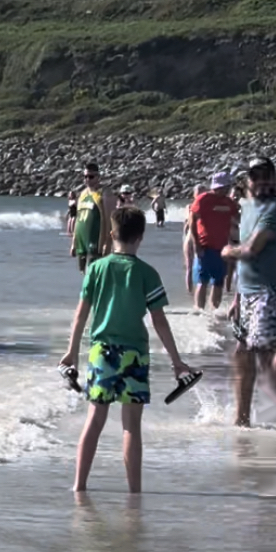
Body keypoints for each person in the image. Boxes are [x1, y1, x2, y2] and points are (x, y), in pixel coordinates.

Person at [59, 206, 192, 493]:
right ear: (141, 237)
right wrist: (177, 360)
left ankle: (78, 486)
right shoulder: (147, 273)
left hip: (101, 352)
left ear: (111, 233)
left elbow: (81, 315)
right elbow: (159, 321)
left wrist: (71, 352)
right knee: (131, 426)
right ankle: (134, 491)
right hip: (135, 353)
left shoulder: (96, 268)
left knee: (95, 419)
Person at [222, 155, 276, 430]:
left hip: (270, 292)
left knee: (268, 360)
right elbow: (246, 261)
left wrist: (227, 250)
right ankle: (241, 420)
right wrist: (237, 297)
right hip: (248, 294)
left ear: (275, 179)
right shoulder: (247, 207)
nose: (262, 181)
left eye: (267, 175)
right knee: (242, 354)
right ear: (247, 181)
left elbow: (252, 249)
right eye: (256, 176)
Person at [189, 172, 240, 310]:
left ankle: (214, 311)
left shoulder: (229, 203)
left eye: (227, 187)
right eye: (223, 187)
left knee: (218, 281)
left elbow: (238, 219)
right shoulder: (203, 199)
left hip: (222, 248)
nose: (225, 190)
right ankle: (199, 310)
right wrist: (196, 244)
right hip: (205, 245)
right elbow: (192, 221)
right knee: (202, 280)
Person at [72, 162, 115, 272]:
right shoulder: (82, 194)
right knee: (83, 271)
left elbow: (110, 219)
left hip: (96, 241)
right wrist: (74, 242)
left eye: (91, 177)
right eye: (85, 177)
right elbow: (78, 219)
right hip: (82, 241)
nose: (87, 180)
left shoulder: (104, 193)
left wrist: (108, 243)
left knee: (94, 272)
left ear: (98, 177)